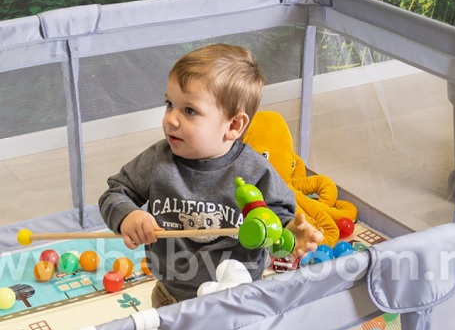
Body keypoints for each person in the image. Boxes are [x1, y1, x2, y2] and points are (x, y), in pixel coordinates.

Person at [98, 43, 322, 308]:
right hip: (171, 296)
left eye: (189, 110)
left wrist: (287, 232)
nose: (171, 119)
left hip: (238, 298)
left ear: (233, 125)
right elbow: (115, 193)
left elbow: (275, 216)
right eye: (169, 104)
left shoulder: (254, 170)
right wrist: (128, 215)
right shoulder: (158, 160)